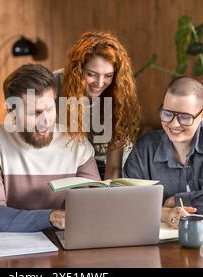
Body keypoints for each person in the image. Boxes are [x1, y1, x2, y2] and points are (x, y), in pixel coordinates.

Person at [0, 64, 189, 232]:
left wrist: (161, 213)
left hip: (62, 249)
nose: (45, 121)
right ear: (10, 110)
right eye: (35, 113)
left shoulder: (76, 143)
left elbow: (96, 206)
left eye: (49, 109)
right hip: (5, 252)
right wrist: (51, 217)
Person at [123, 77, 203, 218]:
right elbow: (130, 200)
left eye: (184, 117)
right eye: (167, 114)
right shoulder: (146, 148)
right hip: (161, 235)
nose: (174, 124)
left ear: (202, 114)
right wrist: (164, 213)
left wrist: (176, 201)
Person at [57, 31, 141, 180]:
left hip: (104, 171)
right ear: (77, 70)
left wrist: (107, 196)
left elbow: (114, 167)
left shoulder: (118, 94)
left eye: (108, 76)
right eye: (91, 74)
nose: (100, 83)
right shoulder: (54, 86)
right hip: (63, 169)